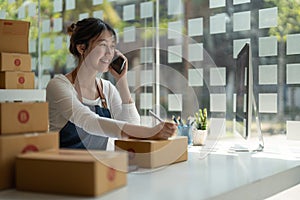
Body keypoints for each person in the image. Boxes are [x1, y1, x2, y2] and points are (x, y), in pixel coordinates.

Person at [46, 17, 177, 150]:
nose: (109, 53)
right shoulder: (58, 86)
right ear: (81, 48)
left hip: (97, 167)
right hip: (64, 167)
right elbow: (90, 122)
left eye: (112, 46)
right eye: (103, 45)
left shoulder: (107, 88)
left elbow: (131, 124)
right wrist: (149, 132)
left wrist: (121, 80)